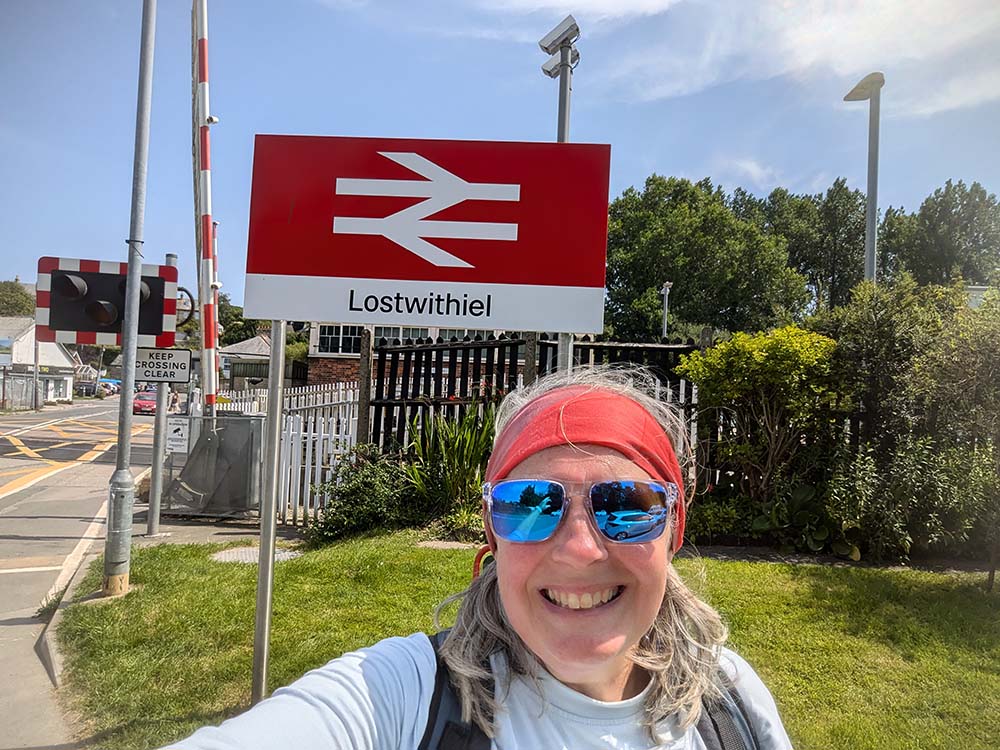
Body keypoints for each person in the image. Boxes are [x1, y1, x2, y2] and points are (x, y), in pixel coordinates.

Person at [165, 367, 792, 749]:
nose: (578, 547)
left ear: (673, 528)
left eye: (626, 503)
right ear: (492, 532)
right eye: (530, 504)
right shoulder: (409, 700)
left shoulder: (728, 702)